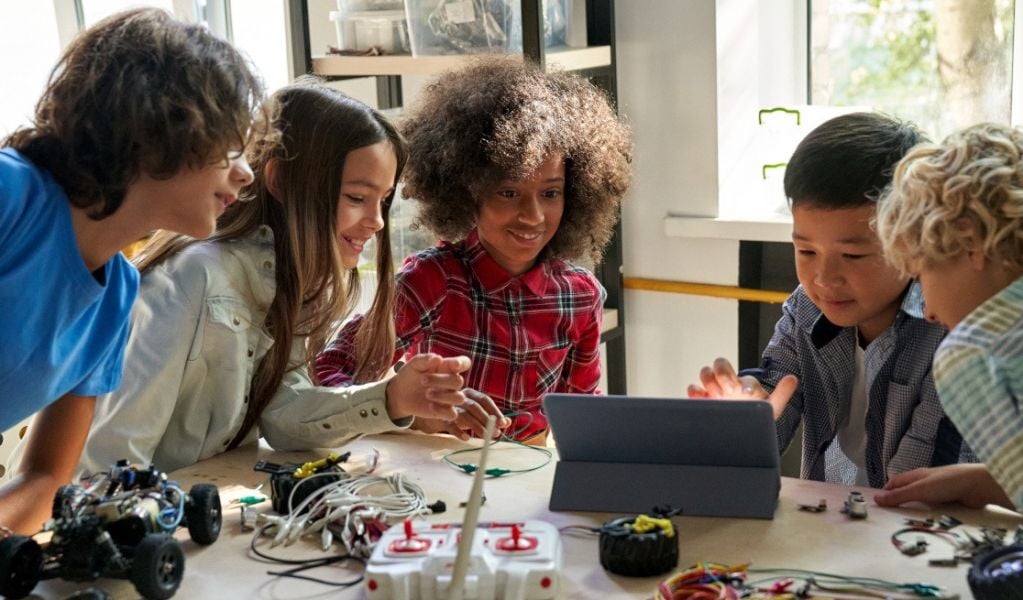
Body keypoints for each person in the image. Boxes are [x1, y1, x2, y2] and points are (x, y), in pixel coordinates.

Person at [80, 81, 499, 475]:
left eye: (383, 201)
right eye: (356, 197)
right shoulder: (194, 278)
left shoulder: (292, 280)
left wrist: (390, 398)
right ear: (280, 180)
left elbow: (282, 416)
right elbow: (110, 460)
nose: (375, 222)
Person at [0, 8, 266, 534]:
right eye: (231, 147)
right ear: (163, 125)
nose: (246, 171)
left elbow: (47, 476)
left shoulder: (116, 296)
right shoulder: (11, 196)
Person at [315, 58, 633, 442]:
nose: (532, 215)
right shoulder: (431, 282)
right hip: (441, 474)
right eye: (508, 192)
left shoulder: (581, 297)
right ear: (467, 192)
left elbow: (582, 420)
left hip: (526, 478)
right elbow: (330, 371)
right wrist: (407, 408)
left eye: (550, 193)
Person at [688, 112, 975, 487]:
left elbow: (915, 499)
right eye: (805, 251)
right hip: (837, 529)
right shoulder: (807, 308)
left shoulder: (949, 332)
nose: (823, 279)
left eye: (853, 256)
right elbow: (774, 393)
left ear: (914, 240)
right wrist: (744, 420)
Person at [873, 122, 1023, 567]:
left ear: (970, 241)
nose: (930, 311)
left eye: (922, 276)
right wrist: (986, 481)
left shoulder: (977, 353)